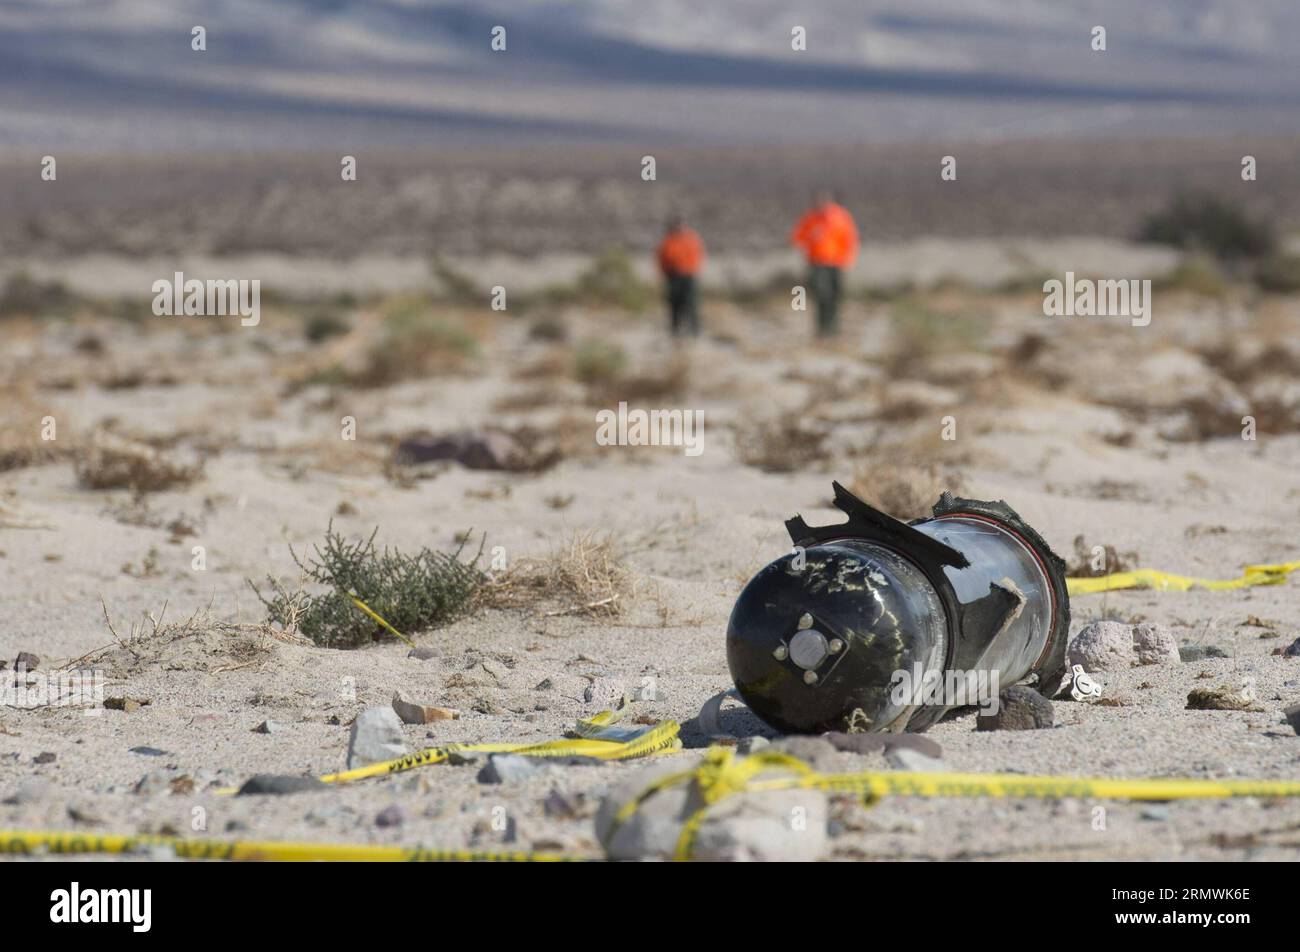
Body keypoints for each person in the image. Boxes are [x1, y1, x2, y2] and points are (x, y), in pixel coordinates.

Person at [790, 190, 859, 337]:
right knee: (822, 295)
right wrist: (811, 237)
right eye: (820, 202)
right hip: (817, 264)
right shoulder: (810, 218)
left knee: (835, 295)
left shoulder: (841, 217)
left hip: (836, 263)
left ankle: (833, 328)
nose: (822, 205)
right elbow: (796, 238)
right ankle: (822, 329)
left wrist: (848, 259)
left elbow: (850, 239)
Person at [656, 216, 705, 337]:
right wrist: (666, 273)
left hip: (689, 276)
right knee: (674, 305)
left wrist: (694, 270)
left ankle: (695, 332)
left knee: (691, 304)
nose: (679, 228)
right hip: (673, 276)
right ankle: (675, 332)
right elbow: (661, 259)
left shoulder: (691, 239)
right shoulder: (668, 241)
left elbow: (699, 256)